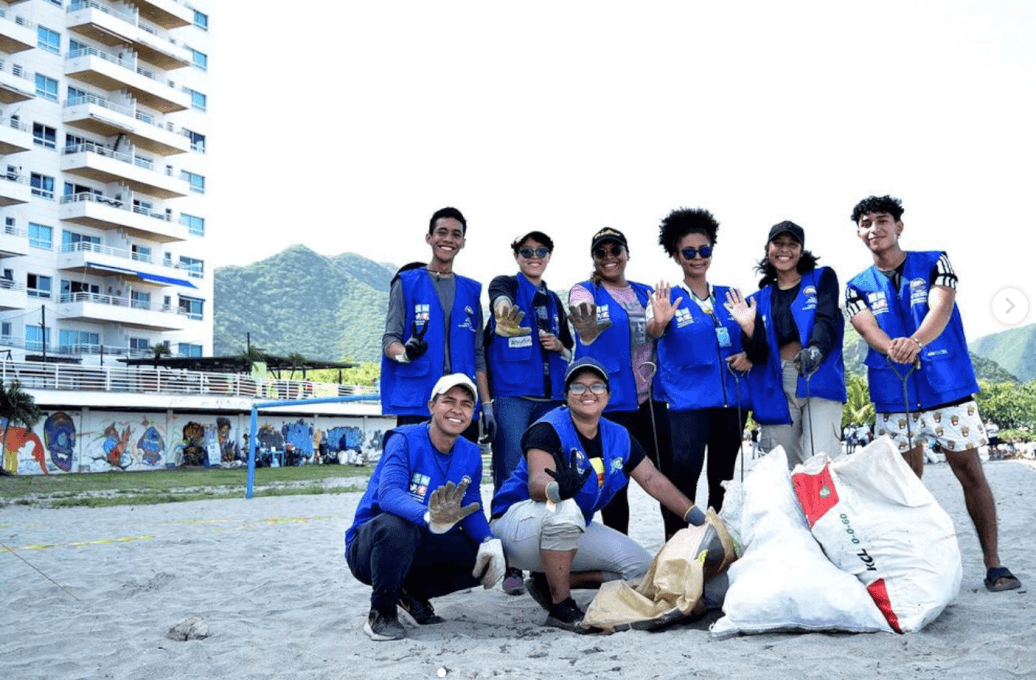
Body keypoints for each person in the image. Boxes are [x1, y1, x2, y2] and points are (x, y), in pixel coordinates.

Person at [844, 194, 1021, 593]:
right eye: (867, 222)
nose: (875, 228)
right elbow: (865, 327)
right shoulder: (855, 285)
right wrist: (892, 347)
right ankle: (916, 567)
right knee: (905, 483)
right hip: (895, 394)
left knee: (970, 472)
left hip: (947, 387)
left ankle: (994, 564)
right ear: (859, 233)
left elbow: (940, 309)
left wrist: (914, 342)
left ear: (899, 226)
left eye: (883, 220)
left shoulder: (936, 261)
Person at [490, 357, 708, 632]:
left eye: (596, 386)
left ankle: (549, 582)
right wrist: (557, 489)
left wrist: (700, 518)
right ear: (566, 394)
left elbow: (653, 480)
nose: (588, 393)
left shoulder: (619, 435)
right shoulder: (548, 428)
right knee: (565, 509)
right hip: (517, 527)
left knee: (641, 569)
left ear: (608, 394)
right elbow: (536, 484)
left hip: (564, 531)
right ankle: (561, 606)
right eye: (578, 387)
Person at [345, 374, 506, 641]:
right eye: (449, 401)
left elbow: (470, 504)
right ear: (432, 406)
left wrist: (489, 539)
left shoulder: (470, 452)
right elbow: (389, 494)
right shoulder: (404, 439)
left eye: (466, 404)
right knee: (398, 526)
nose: (457, 409)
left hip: (420, 542)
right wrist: (429, 516)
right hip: (371, 547)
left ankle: (410, 592)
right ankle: (380, 614)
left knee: (487, 555)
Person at [646, 208, 749, 533]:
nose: (697, 257)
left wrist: (748, 352)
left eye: (703, 250)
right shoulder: (667, 298)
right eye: (688, 252)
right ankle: (677, 552)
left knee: (723, 483)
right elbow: (654, 329)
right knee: (682, 483)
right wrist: (659, 322)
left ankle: (717, 552)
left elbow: (750, 339)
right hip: (685, 408)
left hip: (731, 406)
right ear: (676, 255)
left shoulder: (730, 296)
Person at [484, 230, 574, 595]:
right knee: (508, 471)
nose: (534, 256)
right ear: (517, 255)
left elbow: (571, 347)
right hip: (512, 397)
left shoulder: (555, 300)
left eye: (541, 251)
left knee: (548, 475)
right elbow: (499, 302)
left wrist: (560, 345)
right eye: (526, 251)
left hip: (551, 400)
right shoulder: (505, 283)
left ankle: (541, 561)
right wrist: (504, 314)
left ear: (549, 255)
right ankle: (510, 566)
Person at [567, 227, 673, 536]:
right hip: (611, 404)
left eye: (616, 251)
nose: (609, 258)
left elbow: (654, 330)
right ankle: (618, 556)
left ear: (627, 254)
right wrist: (584, 320)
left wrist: (661, 322)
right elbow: (581, 310)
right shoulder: (585, 290)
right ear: (594, 258)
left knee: (666, 475)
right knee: (613, 483)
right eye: (601, 253)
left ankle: (677, 548)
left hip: (650, 400)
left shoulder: (643, 292)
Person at [725, 221, 846, 469]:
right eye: (778, 243)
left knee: (819, 462)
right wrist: (749, 328)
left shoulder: (822, 278)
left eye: (792, 244)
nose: (785, 249)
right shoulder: (758, 299)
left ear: (801, 251)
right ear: (767, 249)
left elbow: (827, 319)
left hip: (818, 377)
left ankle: (822, 509)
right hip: (776, 384)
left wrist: (815, 350)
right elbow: (759, 352)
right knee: (782, 467)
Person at [380, 207, 496, 444]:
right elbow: (389, 340)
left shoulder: (471, 291)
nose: (448, 239)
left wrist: (486, 406)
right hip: (418, 399)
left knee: (461, 472)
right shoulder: (406, 283)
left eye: (456, 234)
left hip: (461, 401)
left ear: (463, 242)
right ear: (429, 237)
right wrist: (405, 353)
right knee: (413, 471)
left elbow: (478, 354)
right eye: (442, 232)